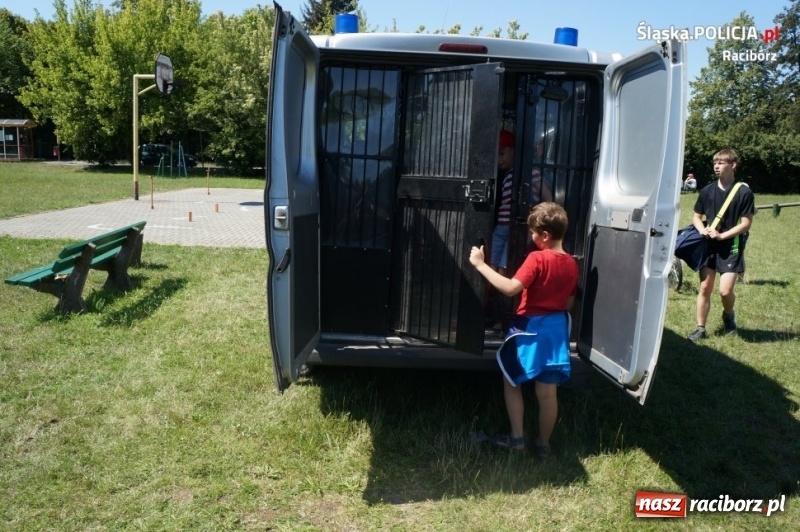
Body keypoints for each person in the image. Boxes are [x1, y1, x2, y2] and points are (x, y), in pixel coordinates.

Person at [470, 202, 579, 458]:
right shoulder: (572, 264)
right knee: (547, 393)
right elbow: (569, 303)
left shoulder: (537, 258)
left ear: (545, 236)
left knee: (511, 379)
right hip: (556, 330)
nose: (531, 238)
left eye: (533, 233)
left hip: (530, 328)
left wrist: (480, 264)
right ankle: (543, 444)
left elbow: (510, 288)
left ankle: (517, 440)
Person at [687, 149, 755, 342]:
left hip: (731, 246)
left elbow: (746, 224)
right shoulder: (707, 190)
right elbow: (696, 216)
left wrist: (722, 235)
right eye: (715, 162)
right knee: (705, 288)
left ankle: (728, 314)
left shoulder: (744, 192)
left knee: (725, 291)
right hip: (709, 245)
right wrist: (702, 230)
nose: (716, 166)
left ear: (733, 165)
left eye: (721, 162)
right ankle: (700, 328)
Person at [491, 130, 516, 276]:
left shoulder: (531, 172)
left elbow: (546, 194)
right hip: (501, 226)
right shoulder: (505, 174)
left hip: (514, 227)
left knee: (504, 267)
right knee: (492, 262)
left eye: (502, 154)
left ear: (513, 151)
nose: (499, 160)